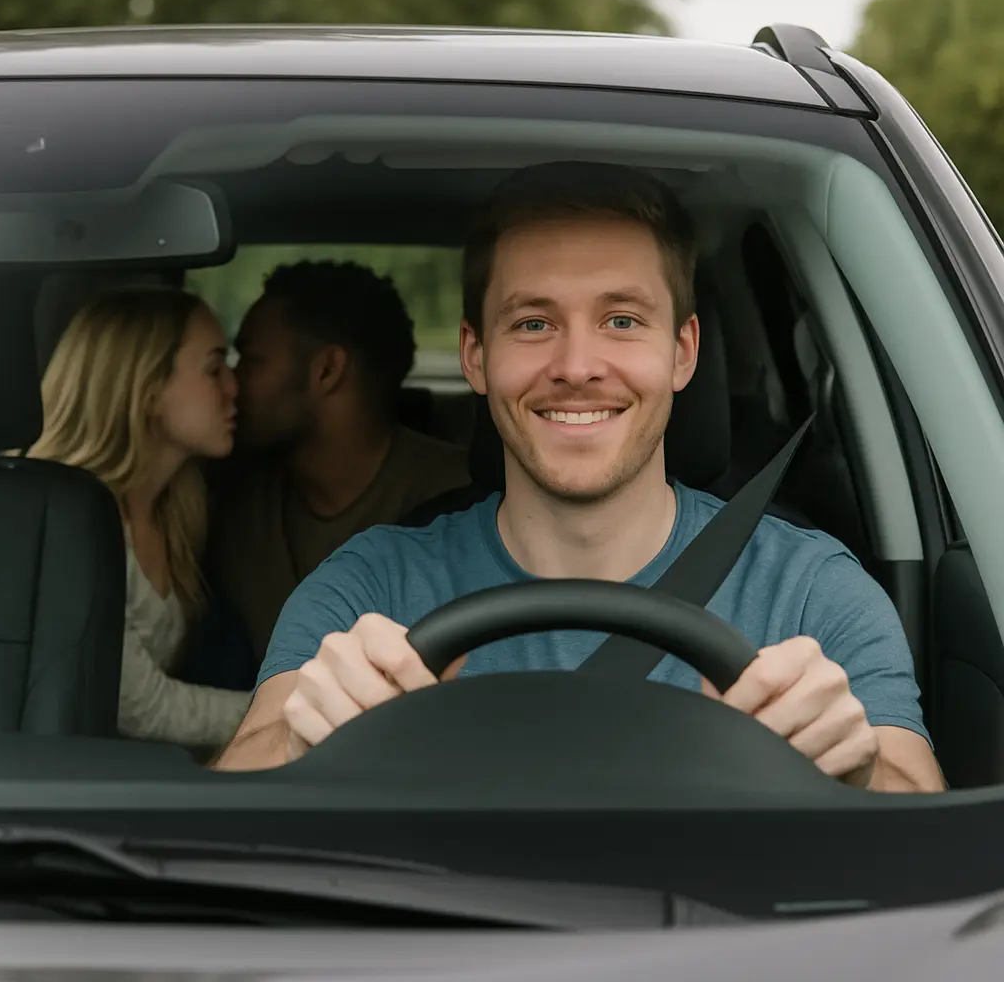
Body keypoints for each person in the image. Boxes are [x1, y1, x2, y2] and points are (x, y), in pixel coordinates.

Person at [213, 162, 945, 793]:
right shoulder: (371, 586)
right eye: (534, 324)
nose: (576, 365)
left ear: (683, 351)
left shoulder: (807, 588)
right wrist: (301, 748)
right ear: (476, 356)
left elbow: (926, 822)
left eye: (622, 320)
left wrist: (856, 772)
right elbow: (228, 800)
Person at [207, 260, 471, 662]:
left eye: (251, 359)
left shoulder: (464, 502)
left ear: (327, 370)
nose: (231, 381)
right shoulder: (229, 496)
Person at [29, 285, 252, 749]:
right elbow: (139, 708)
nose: (234, 385)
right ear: (147, 391)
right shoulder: (63, 526)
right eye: (214, 368)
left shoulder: (176, 511)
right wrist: (284, 712)